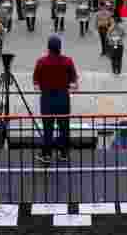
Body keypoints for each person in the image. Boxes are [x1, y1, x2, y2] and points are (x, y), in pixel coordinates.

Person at [32, 35, 79, 164]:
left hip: (47, 98)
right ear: (60, 47)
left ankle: (46, 155)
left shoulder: (41, 62)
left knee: (48, 128)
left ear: (48, 48)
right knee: (64, 126)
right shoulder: (68, 61)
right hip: (63, 98)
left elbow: (36, 86)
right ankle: (63, 153)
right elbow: (75, 85)